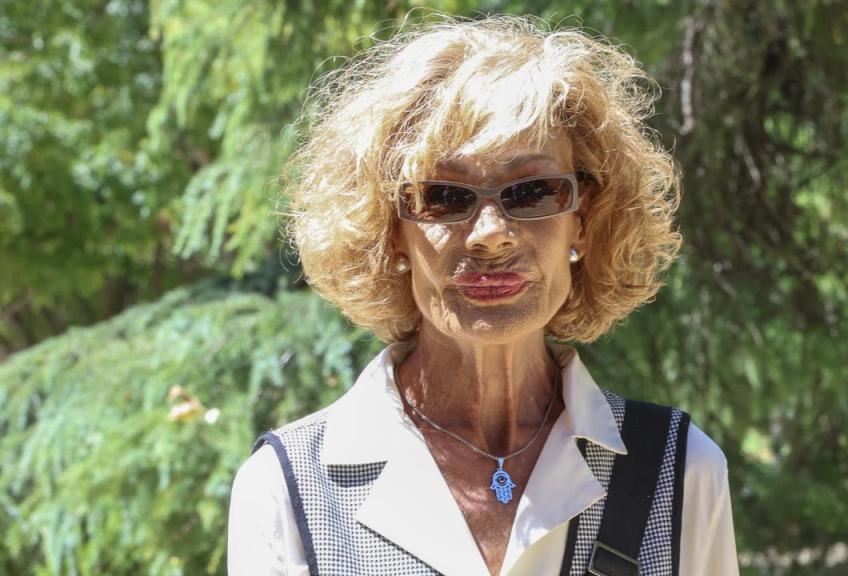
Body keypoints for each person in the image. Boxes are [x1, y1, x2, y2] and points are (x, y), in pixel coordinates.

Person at [228, 15, 739, 576]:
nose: (490, 232)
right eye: (443, 196)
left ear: (585, 222)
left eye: (533, 191)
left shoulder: (680, 471)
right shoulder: (290, 490)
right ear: (388, 230)